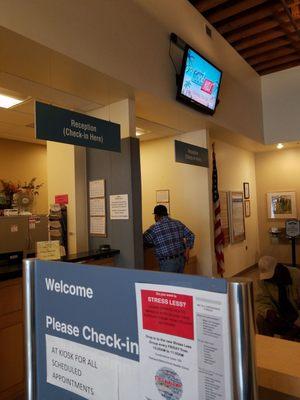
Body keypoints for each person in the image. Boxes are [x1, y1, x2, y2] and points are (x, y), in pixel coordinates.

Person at [255, 255, 300, 340]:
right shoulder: (263, 281)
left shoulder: (296, 275)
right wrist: (267, 311)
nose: (269, 280)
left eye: (271, 276)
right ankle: (268, 346)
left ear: (278, 268)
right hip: (280, 317)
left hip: (297, 317)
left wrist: (296, 325)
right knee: (260, 319)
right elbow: (261, 301)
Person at [143, 205, 195, 273]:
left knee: (167, 283)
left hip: (167, 263)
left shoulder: (154, 228)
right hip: (181, 260)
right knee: (178, 282)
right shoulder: (177, 223)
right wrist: (187, 251)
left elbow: (142, 240)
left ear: (156, 215)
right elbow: (191, 235)